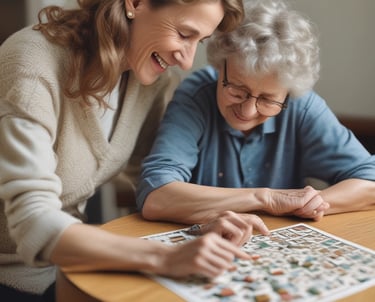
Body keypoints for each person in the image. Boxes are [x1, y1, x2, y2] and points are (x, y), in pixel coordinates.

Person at [0, 0, 272, 301]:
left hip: (70, 267)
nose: (186, 61)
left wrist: (204, 222)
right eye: (184, 34)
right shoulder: (31, 65)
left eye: (200, 41)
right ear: (136, 3)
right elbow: (32, 222)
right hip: (14, 275)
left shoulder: (150, 81)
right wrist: (166, 257)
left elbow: (154, 183)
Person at [136, 0, 375, 226]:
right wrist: (267, 199)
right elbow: (156, 195)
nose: (248, 111)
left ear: (288, 93)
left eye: (268, 99)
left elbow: (370, 180)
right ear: (220, 66)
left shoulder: (301, 106)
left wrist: (308, 204)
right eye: (237, 90)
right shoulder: (196, 96)